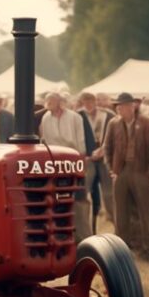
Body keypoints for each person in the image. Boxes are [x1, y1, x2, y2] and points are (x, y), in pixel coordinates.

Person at [104, 92, 149, 263]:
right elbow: (107, 148)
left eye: (123, 106)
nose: (120, 109)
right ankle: (122, 249)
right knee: (120, 212)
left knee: (146, 211)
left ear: (133, 106)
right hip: (120, 171)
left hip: (141, 171)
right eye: (118, 106)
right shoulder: (114, 123)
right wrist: (112, 170)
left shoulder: (148, 123)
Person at [40, 92, 92, 242]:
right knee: (57, 197)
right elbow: (46, 140)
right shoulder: (45, 118)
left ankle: (84, 237)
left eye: (51, 101)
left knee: (79, 197)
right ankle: (61, 234)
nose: (48, 104)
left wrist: (81, 161)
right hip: (55, 161)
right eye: (47, 101)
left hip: (74, 158)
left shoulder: (75, 117)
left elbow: (80, 139)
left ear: (59, 102)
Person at [78, 91, 114, 233]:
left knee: (109, 192)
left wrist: (105, 150)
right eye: (85, 101)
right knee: (85, 191)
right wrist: (86, 155)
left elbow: (113, 135)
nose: (89, 104)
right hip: (88, 158)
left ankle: (112, 222)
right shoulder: (79, 116)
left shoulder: (108, 115)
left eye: (91, 101)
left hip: (105, 157)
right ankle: (85, 225)